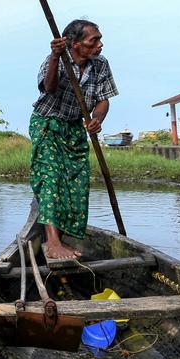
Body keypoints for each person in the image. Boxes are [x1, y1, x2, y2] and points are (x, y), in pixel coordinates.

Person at [30, 19, 118, 260]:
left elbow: (103, 99)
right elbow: (49, 88)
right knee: (51, 177)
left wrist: (97, 119)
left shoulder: (100, 64)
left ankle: (64, 236)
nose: (100, 44)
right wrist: (56, 58)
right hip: (48, 122)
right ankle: (52, 242)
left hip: (74, 126)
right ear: (76, 43)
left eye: (99, 39)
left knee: (76, 182)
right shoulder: (56, 59)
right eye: (94, 40)